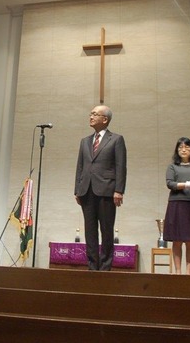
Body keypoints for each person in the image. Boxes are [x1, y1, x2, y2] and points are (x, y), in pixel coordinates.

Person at [74, 105, 127, 271]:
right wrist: (77, 189)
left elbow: (121, 167)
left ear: (105, 119)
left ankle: (105, 267)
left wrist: (119, 190)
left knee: (106, 230)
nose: (91, 116)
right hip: (86, 190)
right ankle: (92, 266)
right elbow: (80, 167)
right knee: (90, 231)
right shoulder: (85, 141)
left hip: (107, 191)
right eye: (90, 113)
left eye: (95, 114)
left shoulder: (116, 139)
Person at [163, 137, 190, 275]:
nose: (184, 150)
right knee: (177, 240)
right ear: (177, 150)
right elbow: (170, 183)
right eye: (181, 147)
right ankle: (178, 272)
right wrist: (185, 184)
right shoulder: (172, 166)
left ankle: (188, 272)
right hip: (177, 204)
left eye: (187, 147)